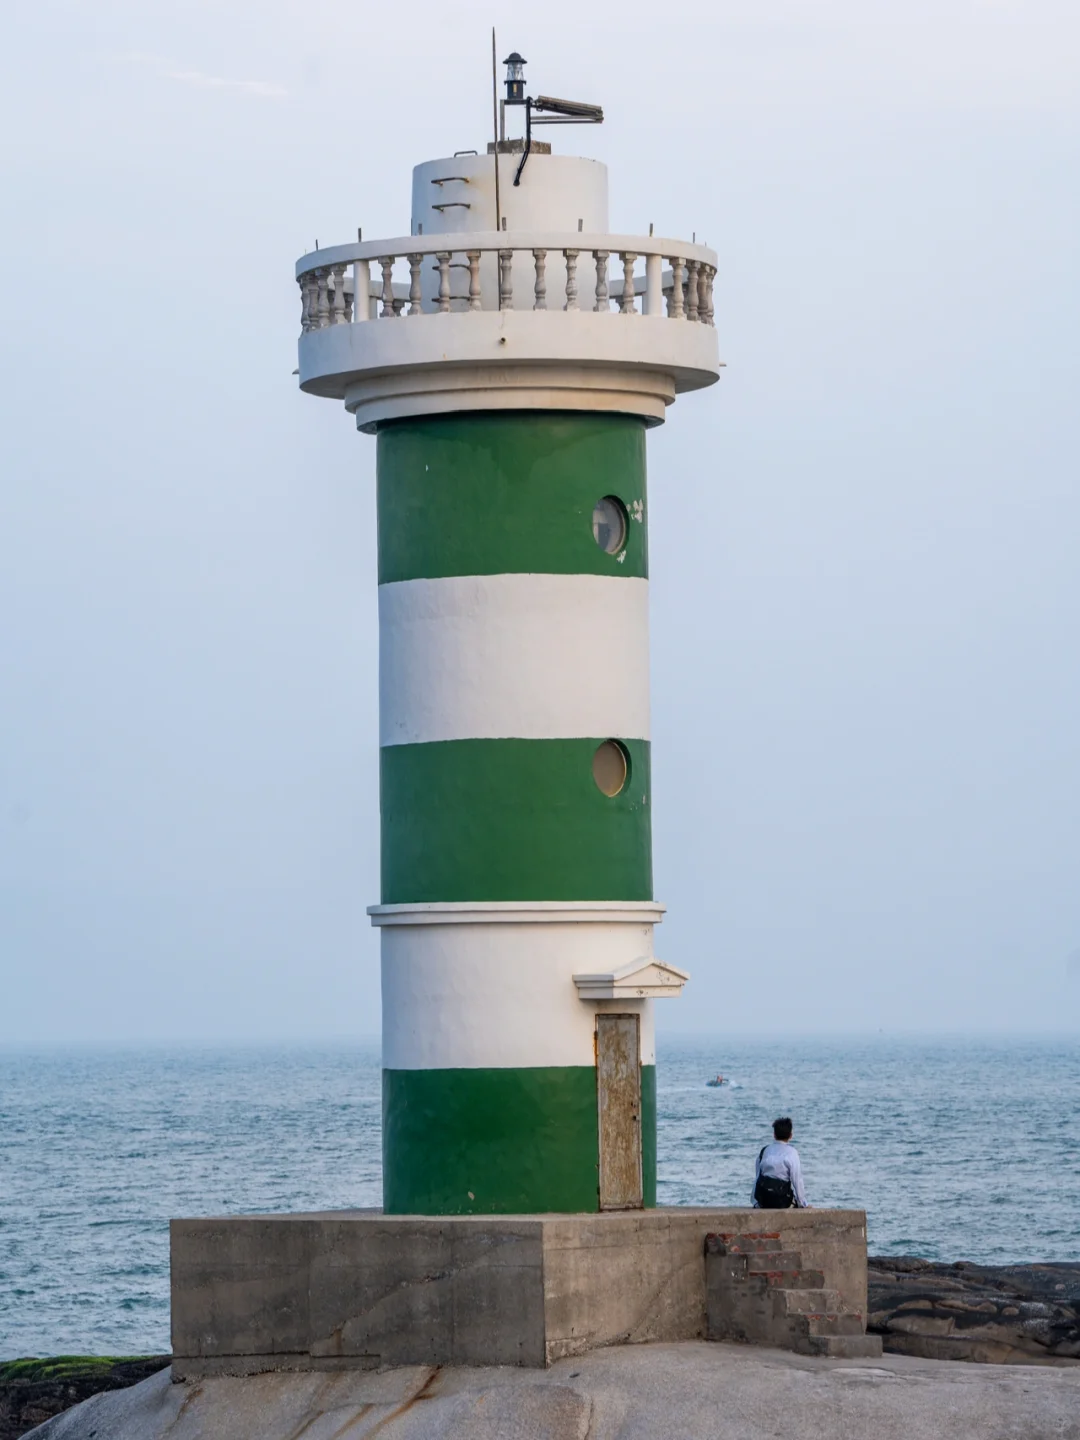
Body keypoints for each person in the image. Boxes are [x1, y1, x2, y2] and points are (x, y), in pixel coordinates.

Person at [752, 1116, 809, 1209]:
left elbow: (758, 1178)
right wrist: (803, 1203)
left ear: (774, 1135)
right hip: (782, 1200)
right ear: (791, 1135)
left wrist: (755, 1202)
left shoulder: (765, 1150)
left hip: (763, 1200)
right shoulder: (792, 1152)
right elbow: (797, 1179)